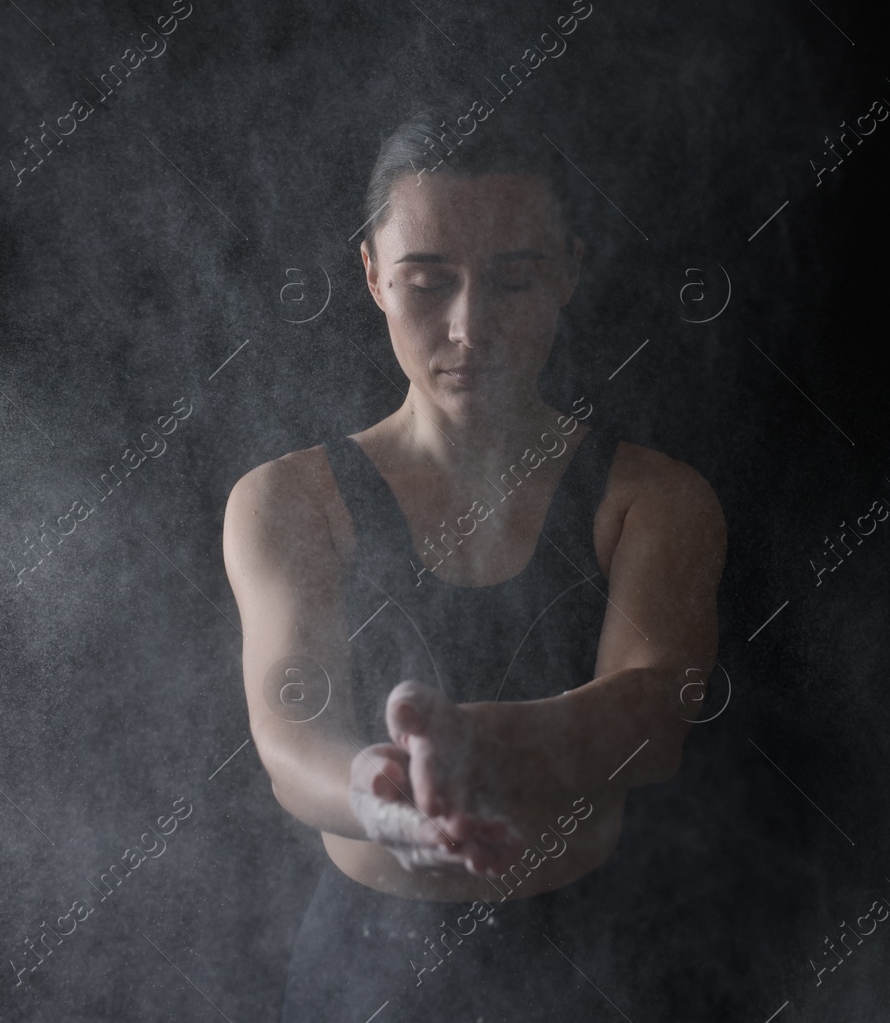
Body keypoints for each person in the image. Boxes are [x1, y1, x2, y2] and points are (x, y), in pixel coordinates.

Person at [221, 111, 727, 1021]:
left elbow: (656, 712)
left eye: (515, 279)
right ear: (373, 273)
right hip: (363, 976)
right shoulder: (286, 499)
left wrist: (477, 749)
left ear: (570, 268)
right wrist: (387, 801)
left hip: (591, 965)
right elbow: (289, 739)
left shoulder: (652, 495)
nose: (471, 325)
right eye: (428, 281)